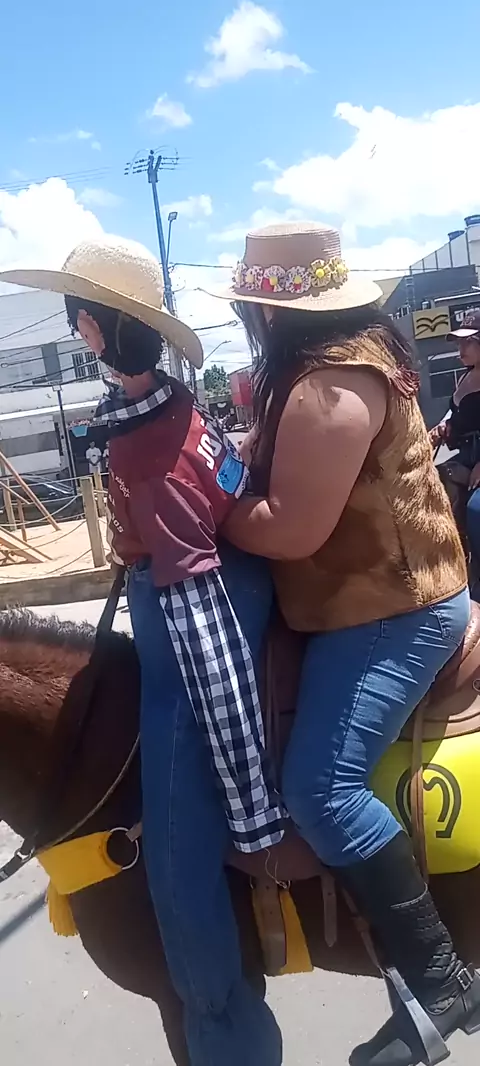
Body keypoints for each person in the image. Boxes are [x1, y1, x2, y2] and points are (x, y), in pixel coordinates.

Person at [0, 237, 283, 1066]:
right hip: (221, 595)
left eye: (79, 319)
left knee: (176, 872)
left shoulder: (146, 450)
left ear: (99, 327)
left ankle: (222, 1025)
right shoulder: (169, 404)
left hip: (188, 653)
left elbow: (200, 623)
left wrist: (245, 795)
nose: (76, 330)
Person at [214, 222, 480, 1066]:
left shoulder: (328, 388)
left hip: (391, 613)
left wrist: (207, 509)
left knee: (320, 787)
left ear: (268, 310)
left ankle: (441, 980)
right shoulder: (333, 368)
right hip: (364, 603)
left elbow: (290, 530)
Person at [432, 310, 480, 592]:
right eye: (459, 343)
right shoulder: (465, 376)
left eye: (468, 342)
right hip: (461, 453)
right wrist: (443, 425)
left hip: (477, 459)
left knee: (476, 511)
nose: (461, 349)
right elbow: (455, 411)